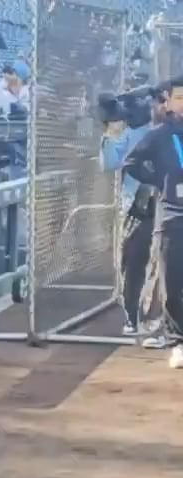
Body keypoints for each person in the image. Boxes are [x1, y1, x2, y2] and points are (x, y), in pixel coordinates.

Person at [125, 76, 183, 369]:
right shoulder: (161, 134)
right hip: (173, 217)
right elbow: (131, 163)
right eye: (180, 97)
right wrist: (160, 182)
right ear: (169, 101)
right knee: (173, 282)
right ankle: (177, 341)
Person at [101, 92, 163, 341]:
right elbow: (110, 163)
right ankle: (133, 315)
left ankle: (152, 316)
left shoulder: (168, 132)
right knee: (131, 261)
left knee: (159, 263)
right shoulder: (132, 132)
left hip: (163, 204)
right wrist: (110, 131)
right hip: (135, 206)